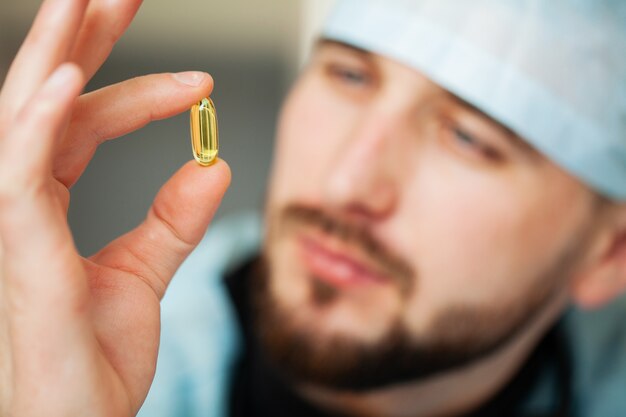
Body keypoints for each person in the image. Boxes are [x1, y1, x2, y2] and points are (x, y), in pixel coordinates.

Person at [0, 0, 624, 416]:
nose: (347, 182)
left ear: (609, 254)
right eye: (349, 76)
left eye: (470, 139)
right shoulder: (56, 368)